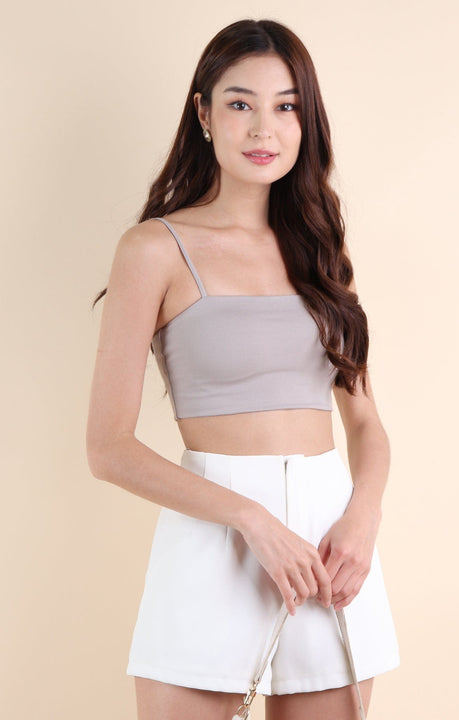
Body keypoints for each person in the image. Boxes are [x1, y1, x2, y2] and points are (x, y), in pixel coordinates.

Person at [86, 17, 399, 720]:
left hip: (328, 549)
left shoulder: (321, 251)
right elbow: (107, 448)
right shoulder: (154, 250)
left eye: (286, 106)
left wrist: (363, 516)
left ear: (306, 121)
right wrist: (250, 518)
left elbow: (366, 425)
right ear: (203, 114)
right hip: (215, 534)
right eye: (240, 103)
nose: (264, 128)